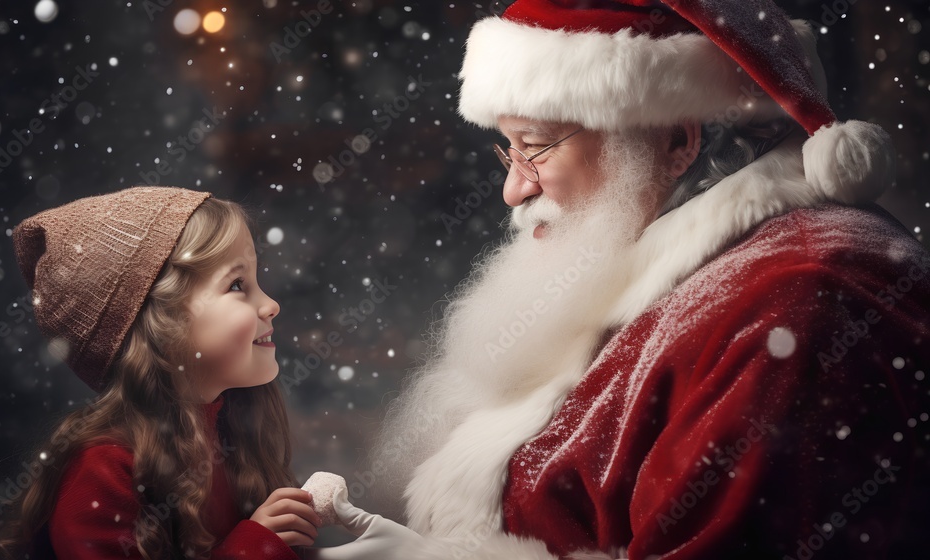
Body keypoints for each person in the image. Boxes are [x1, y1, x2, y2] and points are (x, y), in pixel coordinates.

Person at [307, 1, 930, 559]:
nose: (513, 188)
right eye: (508, 151)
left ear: (676, 143)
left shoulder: (804, 303)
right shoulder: (658, 263)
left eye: (536, 147)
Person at [0, 187, 322, 559]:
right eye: (237, 285)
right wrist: (255, 546)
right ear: (162, 325)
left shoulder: (238, 435)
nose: (271, 305)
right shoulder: (103, 472)